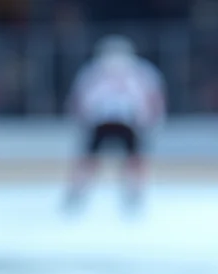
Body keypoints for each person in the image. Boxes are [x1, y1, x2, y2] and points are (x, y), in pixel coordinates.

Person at [63, 35, 166, 217]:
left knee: (94, 159)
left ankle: (79, 192)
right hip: (127, 122)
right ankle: (132, 193)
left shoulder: (92, 71)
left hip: (105, 121)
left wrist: (81, 122)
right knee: (131, 159)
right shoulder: (142, 71)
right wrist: (151, 122)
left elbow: (78, 100)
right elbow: (154, 100)